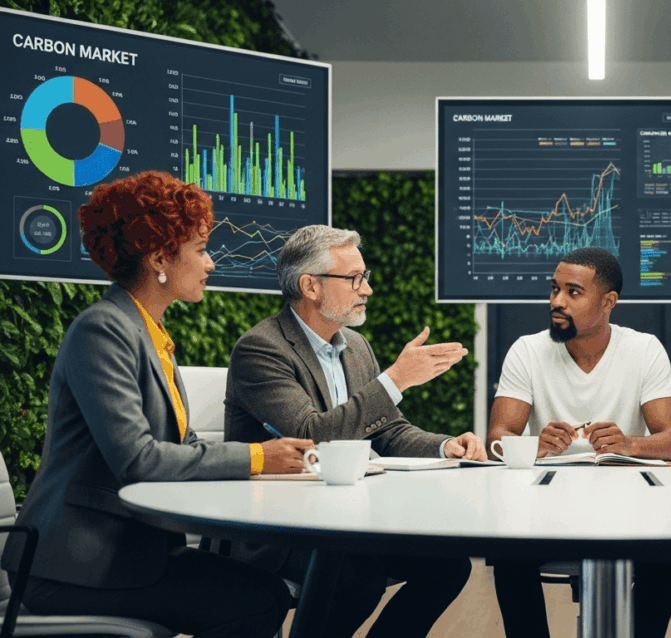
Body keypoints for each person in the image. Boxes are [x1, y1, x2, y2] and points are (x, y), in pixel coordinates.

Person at [0, 171, 309, 636]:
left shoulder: (151, 333)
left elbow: (179, 447)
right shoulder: (102, 330)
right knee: (252, 603)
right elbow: (139, 459)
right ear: (160, 256)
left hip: (129, 551)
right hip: (72, 565)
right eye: (201, 249)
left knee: (268, 592)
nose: (211, 264)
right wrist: (258, 456)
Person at [224, 224, 481, 638]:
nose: (367, 290)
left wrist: (447, 446)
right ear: (310, 286)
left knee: (447, 566)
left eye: (365, 277)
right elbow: (312, 435)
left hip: (349, 520)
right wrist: (396, 379)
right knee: (357, 578)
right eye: (354, 279)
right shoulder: (261, 349)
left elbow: (388, 432)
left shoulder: (355, 346)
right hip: (283, 529)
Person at [487, 246, 671, 638]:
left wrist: (628, 444)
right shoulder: (527, 351)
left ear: (608, 301)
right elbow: (497, 437)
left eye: (573, 292)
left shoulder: (643, 349)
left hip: (626, 504)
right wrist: (534, 445)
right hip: (544, 506)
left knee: (666, 554)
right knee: (507, 551)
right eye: (554, 289)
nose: (557, 302)